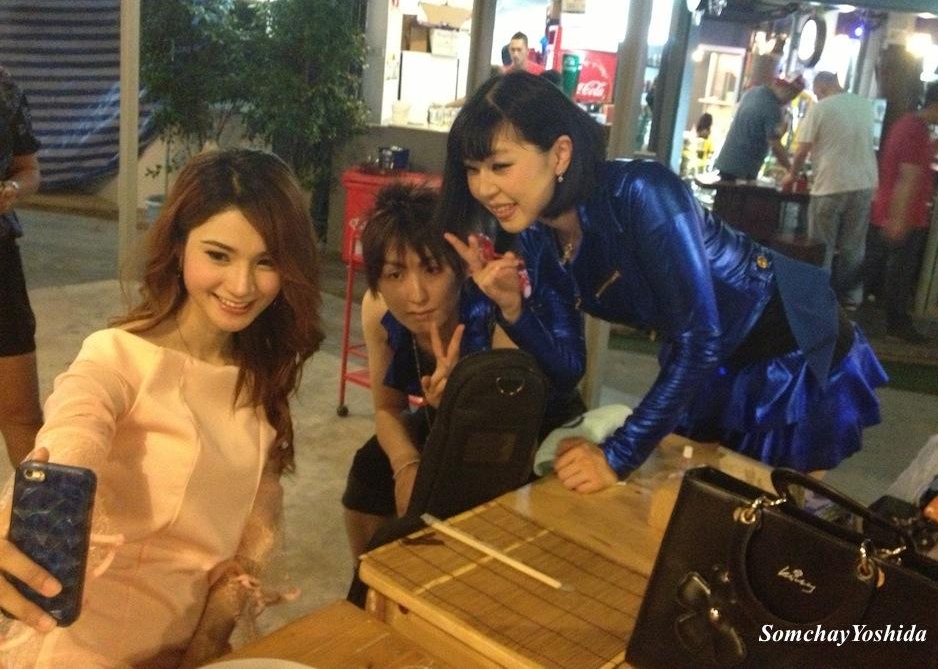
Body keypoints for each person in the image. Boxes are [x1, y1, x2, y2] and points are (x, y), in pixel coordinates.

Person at [440, 71, 886, 494]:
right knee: (710, 507)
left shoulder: (641, 190)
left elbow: (700, 338)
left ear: (559, 154)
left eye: (499, 165)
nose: (483, 188)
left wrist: (614, 457)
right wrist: (514, 310)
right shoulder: (540, 237)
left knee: (768, 511)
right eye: (472, 169)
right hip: (716, 361)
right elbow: (569, 366)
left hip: (794, 341)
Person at [0, 149, 323, 667]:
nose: (242, 286)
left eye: (266, 262)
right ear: (178, 246)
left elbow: (249, 541)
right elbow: (74, 434)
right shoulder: (117, 357)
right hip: (86, 649)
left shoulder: (260, 374)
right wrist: (35, 511)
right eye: (218, 255)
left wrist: (205, 645)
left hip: (186, 652)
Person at [342, 184, 584, 560]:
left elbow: (503, 437)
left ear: (460, 268)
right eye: (395, 274)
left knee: (472, 505)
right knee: (370, 469)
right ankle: (371, 581)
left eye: (432, 269)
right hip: (445, 414)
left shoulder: (494, 314)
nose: (416, 295)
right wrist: (407, 467)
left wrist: (457, 399)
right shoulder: (378, 312)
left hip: (527, 425)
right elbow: (387, 409)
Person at [865, 79, 938, 344]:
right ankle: (896, 325)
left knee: (879, 270)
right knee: (898, 273)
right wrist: (898, 218)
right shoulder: (914, 130)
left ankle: (879, 322)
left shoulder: (909, 126)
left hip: (894, 211)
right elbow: (907, 177)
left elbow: (923, 157)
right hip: (904, 214)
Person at [782, 72, 878, 309]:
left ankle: (819, 296)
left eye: (817, 93)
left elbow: (802, 150)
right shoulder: (865, 106)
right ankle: (851, 298)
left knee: (821, 246)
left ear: (823, 88)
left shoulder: (821, 108)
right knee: (853, 246)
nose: (817, 97)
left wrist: (792, 175)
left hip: (830, 183)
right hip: (864, 183)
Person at [0, 65, 43, 466]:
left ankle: (37, 503)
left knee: (21, 412)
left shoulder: (5, 87)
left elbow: (28, 170)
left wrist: (12, 189)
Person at [713, 75, 804, 181]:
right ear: (785, 89)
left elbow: (757, 128)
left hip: (726, 161)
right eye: (791, 96)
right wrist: (792, 171)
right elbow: (775, 145)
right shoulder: (772, 107)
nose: (789, 101)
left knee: (724, 189)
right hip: (742, 168)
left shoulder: (753, 92)